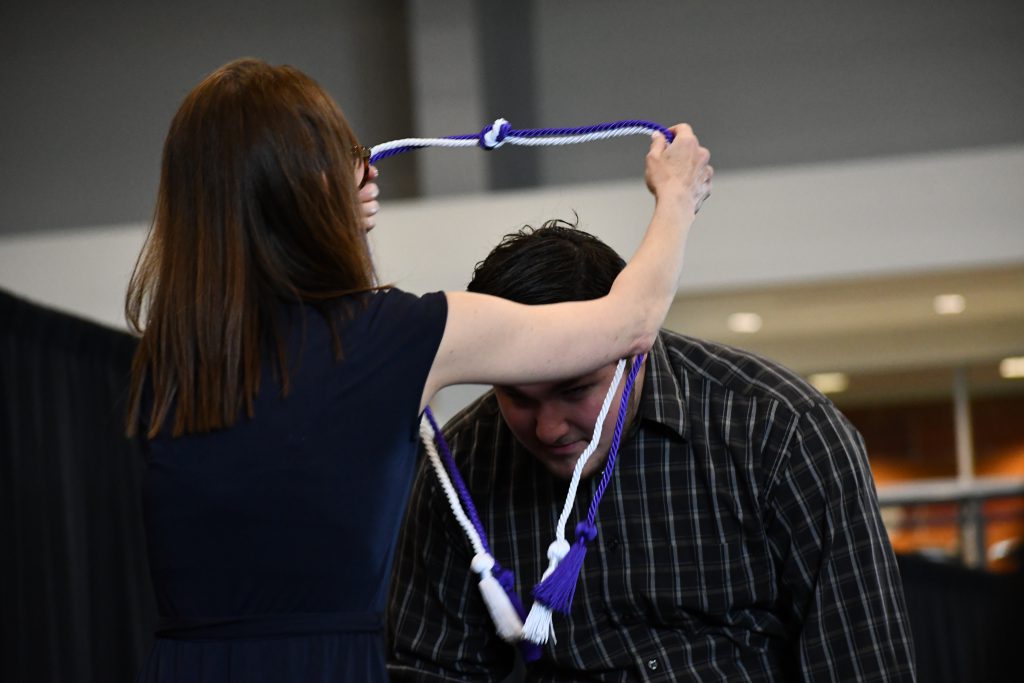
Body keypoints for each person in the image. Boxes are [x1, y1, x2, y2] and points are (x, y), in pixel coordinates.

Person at [124, 58, 711, 682]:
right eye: (343, 153)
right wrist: (677, 197)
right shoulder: (394, 337)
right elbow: (629, 323)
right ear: (306, 185)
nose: (368, 168)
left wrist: (329, 223)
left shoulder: (173, 356)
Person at [388, 221, 916, 682]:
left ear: (631, 349)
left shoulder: (780, 434)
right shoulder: (459, 467)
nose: (548, 429)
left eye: (575, 391)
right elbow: (432, 670)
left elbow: (862, 664)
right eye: (517, 396)